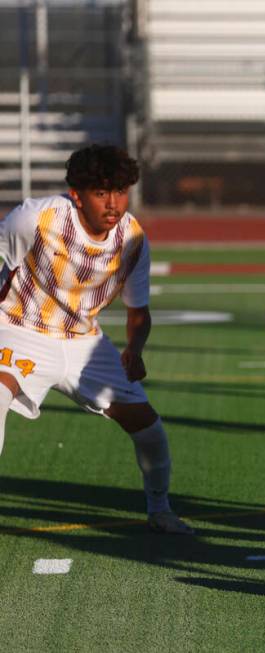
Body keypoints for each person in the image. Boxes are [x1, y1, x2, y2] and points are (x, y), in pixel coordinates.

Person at [0, 144, 192, 535]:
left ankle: (160, 510)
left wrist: (134, 350)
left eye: (120, 191)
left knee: (150, 430)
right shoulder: (35, 218)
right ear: (77, 195)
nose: (113, 203)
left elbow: (138, 311)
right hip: (19, 327)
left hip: (84, 341)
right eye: (101, 193)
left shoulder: (134, 240)